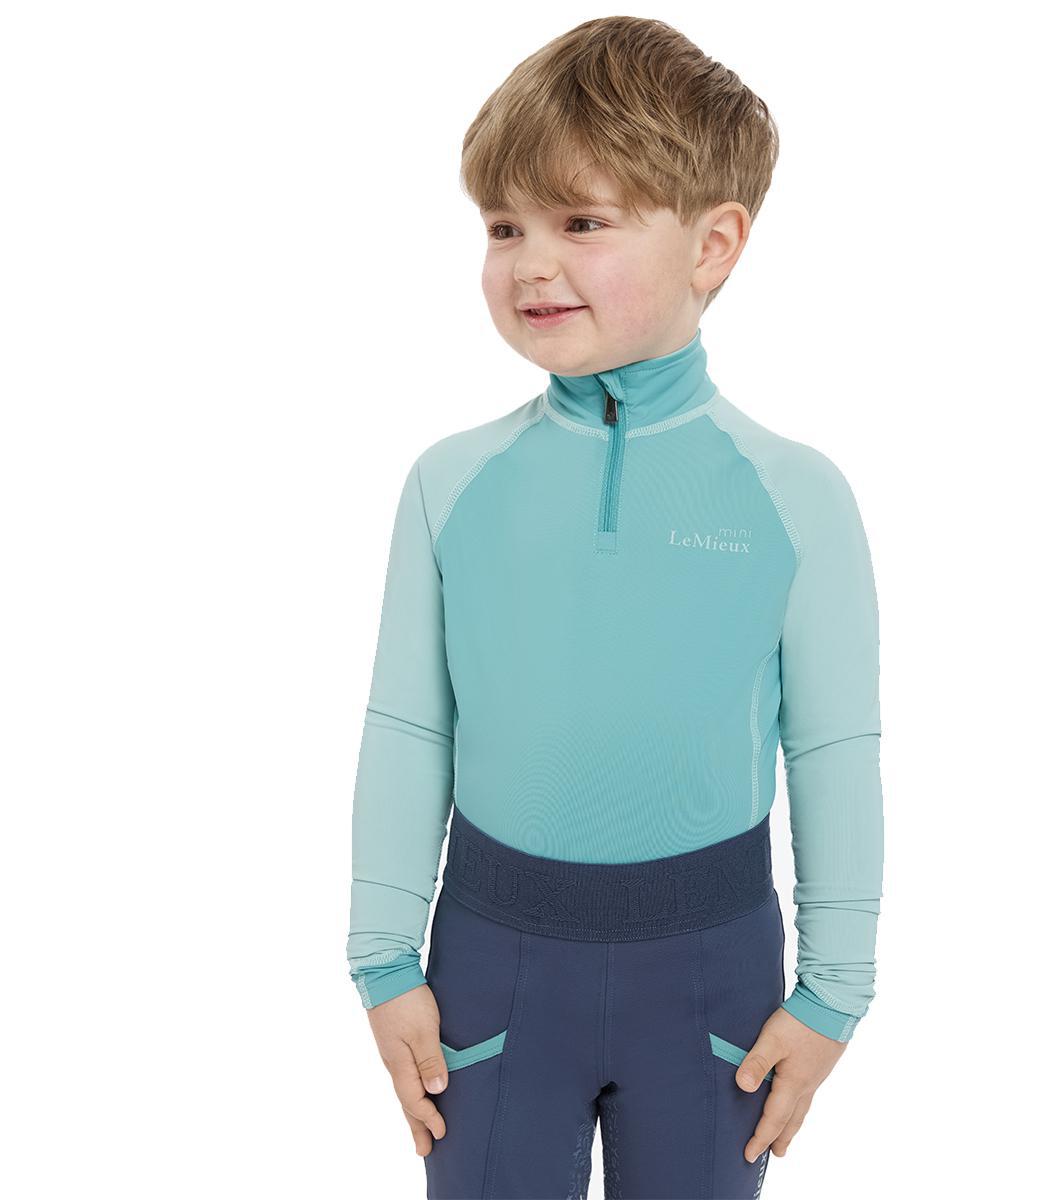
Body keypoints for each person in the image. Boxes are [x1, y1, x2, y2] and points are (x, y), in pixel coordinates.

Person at [346, 15, 884, 1199]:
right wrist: (383, 961)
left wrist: (834, 993)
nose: (529, 263)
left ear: (714, 243)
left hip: (711, 972)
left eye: (581, 222)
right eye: (503, 226)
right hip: (489, 962)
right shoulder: (450, 483)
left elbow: (834, 749)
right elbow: (409, 726)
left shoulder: (797, 495)